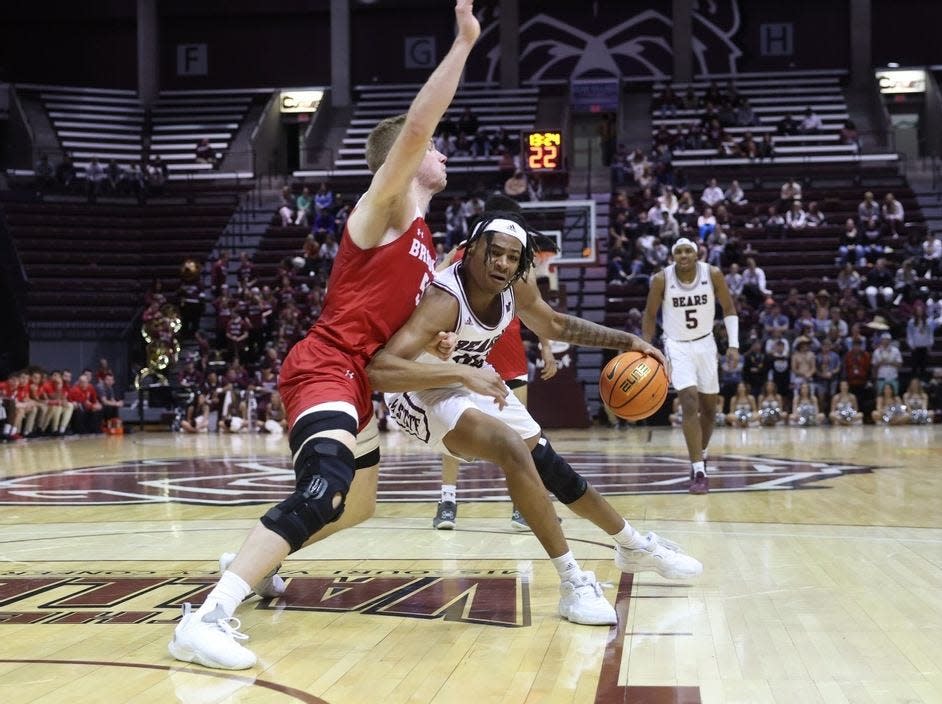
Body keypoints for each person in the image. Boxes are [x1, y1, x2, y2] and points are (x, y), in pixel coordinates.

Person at [169, 1, 482, 670]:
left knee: (356, 506)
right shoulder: (386, 207)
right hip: (323, 365)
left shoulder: (425, 240)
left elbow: (393, 332)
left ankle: (251, 560)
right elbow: (420, 121)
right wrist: (462, 45)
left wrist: (436, 348)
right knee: (324, 485)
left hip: (356, 375)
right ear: (410, 156)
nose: (444, 150)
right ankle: (206, 618)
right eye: (434, 145)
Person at [369, 211, 703, 625]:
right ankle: (572, 582)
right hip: (419, 392)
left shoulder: (515, 284)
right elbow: (379, 371)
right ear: (472, 251)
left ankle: (631, 544)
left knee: (550, 464)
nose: (504, 264)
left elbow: (555, 323)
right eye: (495, 254)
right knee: (511, 447)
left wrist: (627, 340)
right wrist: (461, 371)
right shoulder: (444, 300)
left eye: (513, 257)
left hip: (469, 381)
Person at [432, 196, 558, 532]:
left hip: (507, 344)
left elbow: (536, 306)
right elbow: (432, 284)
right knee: (453, 425)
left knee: (522, 432)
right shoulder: (466, 250)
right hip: (471, 347)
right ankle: (447, 500)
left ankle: (520, 506)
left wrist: (546, 347)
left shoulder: (518, 258)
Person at [642, 237, 740, 494]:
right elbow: (650, 315)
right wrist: (645, 346)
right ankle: (698, 470)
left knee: (710, 409)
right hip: (676, 345)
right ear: (673, 256)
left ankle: (702, 453)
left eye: (688, 251)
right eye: (678, 251)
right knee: (689, 400)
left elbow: (729, 308)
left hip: (706, 344)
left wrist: (734, 345)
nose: (683, 255)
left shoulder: (713, 274)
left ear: (697, 254)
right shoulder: (661, 279)